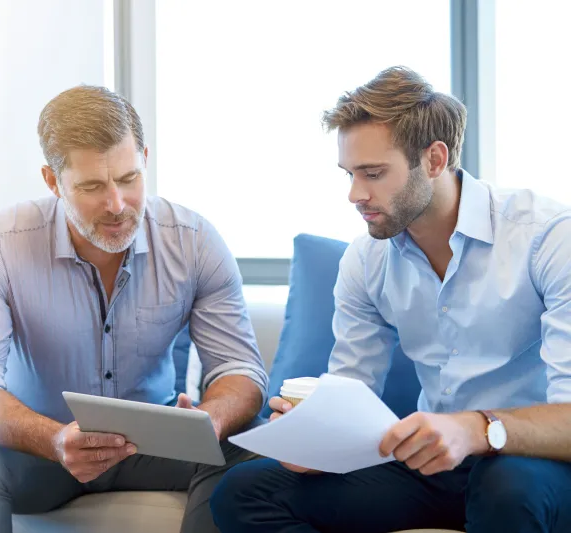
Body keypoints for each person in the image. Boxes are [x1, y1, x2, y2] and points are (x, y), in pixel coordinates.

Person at [210, 66, 571, 533]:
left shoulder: (547, 238)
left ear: (435, 160)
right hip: (433, 466)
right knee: (243, 493)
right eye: (350, 174)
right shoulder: (367, 260)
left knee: (507, 490)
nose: (355, 194)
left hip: (530, 459)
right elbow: (352, 391)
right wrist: (316, 440)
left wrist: (476, 429)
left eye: (374, 174)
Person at [0, 85, 268, 533]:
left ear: (144, 157)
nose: (116, 205)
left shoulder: (194, 240)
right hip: (41, 450)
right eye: (92, 186)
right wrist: (53, 440)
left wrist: (211, 418)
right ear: (53, 181)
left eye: (129, 179)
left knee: (250, 443)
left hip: (156, 447)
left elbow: (241, 368)